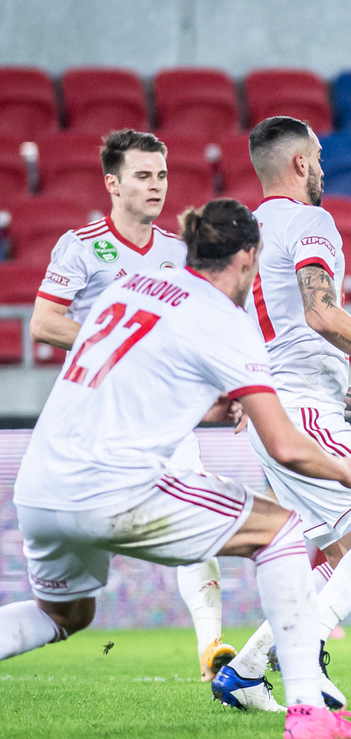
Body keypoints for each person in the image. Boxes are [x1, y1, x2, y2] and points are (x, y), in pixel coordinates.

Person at [1, 199, 351, 739]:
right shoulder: (224, 319)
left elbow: (128, 379)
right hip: (111, 485)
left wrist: (206, 406)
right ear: (247, 259)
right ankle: (306, 714)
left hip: (39, 485)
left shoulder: (131, 291)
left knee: (63, 616)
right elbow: (285, 445)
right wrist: (345, 469)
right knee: (280, 532)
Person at [211, 116, 351, 712]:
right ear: (299, 164)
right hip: (302, 417)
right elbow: (321, 315)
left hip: (275, 414)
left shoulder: (241, 237)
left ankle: (245, 672)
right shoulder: (310, 221)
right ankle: (304, 648)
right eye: (317, 156)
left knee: (343, 554)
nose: (321, 167)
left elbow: (279, 350)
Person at [29, 129, 238, 681]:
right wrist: (125, 344)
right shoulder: (82, 246)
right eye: (143, 175)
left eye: (162, 175)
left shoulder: (178, 252)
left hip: (166, 416)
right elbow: (44, 323)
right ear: (112, 183)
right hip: (99, 417)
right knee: (70, 609)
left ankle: (212, 648)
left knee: (200, 516)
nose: (156, 185)